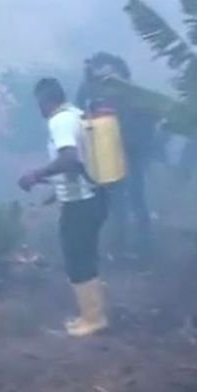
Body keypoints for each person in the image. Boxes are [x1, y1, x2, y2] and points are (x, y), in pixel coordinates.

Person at [19, 77, 109, 336]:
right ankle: (91, 314)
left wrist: (36, 175)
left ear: (44, 100)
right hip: (93, 196)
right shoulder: (77, 114)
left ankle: (93, 318)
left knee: (77, 257)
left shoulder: (59, 121)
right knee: (85, 255)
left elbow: (69, 158)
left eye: (38, 102)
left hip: (81, 202)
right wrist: (52, 190)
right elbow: (78, 164)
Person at [76, 54, 156, 266]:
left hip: (131, 155)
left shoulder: (132, 95)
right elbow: (82, 114)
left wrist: (139, 151)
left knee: (135, 201)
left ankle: (144, 252)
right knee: (118, 203)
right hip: (109, 155)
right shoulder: (93, 91)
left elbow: (148, 124)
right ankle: (119, 250)